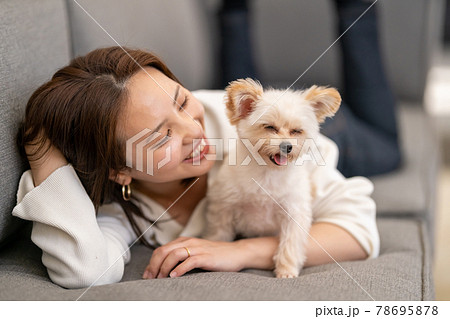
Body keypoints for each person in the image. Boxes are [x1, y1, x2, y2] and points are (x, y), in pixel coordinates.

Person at [12, 47, 378, 289]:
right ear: (118, 171)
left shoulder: (234, 117)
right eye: (159, 136)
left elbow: (359, 230)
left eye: (182, 100)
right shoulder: (126, 211)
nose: (194, 131)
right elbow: (84, 270)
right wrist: (42, 149)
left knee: (384, 142)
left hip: (337, 141)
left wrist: (242, 251)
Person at [218, 0, 401, 177]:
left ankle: (354, 6)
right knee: (390, 150)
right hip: (306, 111)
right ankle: (234, 10)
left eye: (295, 132)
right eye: (271, 128)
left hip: (297, 107)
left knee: (243, 110)